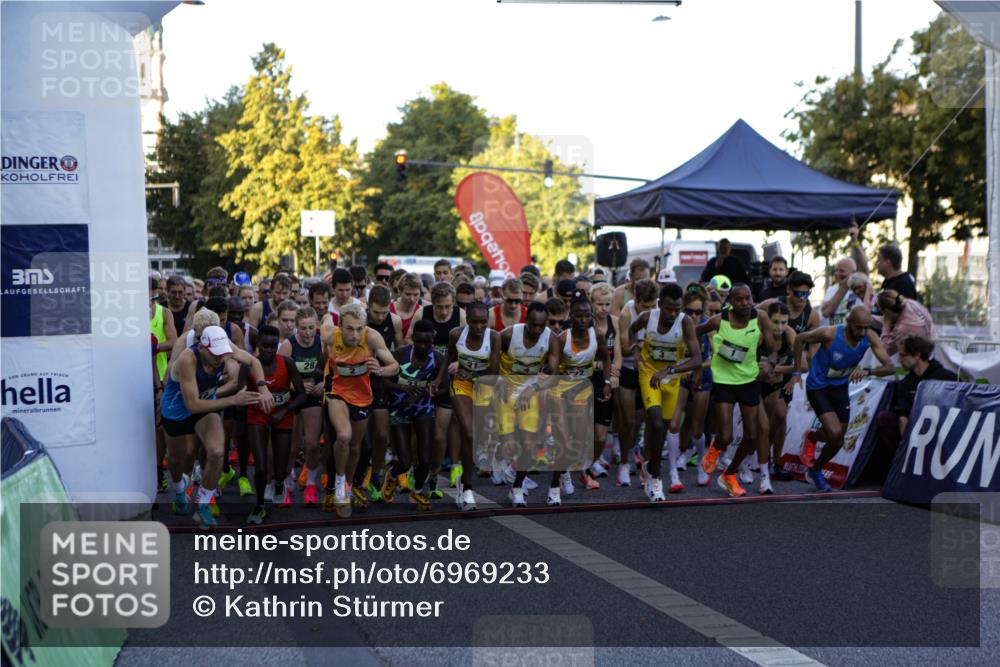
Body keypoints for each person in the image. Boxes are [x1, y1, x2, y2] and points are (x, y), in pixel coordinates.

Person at [160, 326, 270, 528]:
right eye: (215, 355)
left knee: (218, 451)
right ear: (202, 346)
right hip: (178, 410)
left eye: (223, 354)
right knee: (176, 461)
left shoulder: (224, 346)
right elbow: (192, 405)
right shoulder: (188, 359)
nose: (220, 359)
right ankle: (179, 490)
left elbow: (253, 361)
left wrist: (263, 388)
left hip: (206, 407)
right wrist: (233, 400)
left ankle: (203, 503)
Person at [792, 306, 895, 491]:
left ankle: (816, 470)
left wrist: (867, 371)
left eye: (866, 327)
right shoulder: (830, 333)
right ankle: (813, 437)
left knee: (839, 440)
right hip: (818, 386)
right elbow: (800, 338)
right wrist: (798, 369)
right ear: (848, 324)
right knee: (833, 432)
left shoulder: (869, 336)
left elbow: (889, 367)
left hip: (839, 387)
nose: (863, 332)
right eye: (859, 328)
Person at [697, 284, 776, 497]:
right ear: (731, 301)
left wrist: (770, 365)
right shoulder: (719, 320)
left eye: (748, 298)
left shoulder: (760, 318)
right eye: (739, 299)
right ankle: (715, 448)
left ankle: (729, 475)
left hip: (748, 379)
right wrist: (697, 357)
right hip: (723, 380)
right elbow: (695, 332)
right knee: (726, 436)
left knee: (751, 436)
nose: (745, 303)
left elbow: (772, 348)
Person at [320, 304, 399, 517]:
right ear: (340, 326)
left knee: (355, 447)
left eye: (359, 328)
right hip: (336, 391)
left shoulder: (371, 338)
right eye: (349, 329)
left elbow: (395, 365)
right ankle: (338, 484)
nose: (354, 334)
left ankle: (346, 484)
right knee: (343, 436)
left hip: (362, 397)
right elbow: (325, 319)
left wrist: (381, 370)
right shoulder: (330, 335)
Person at [629, 283, 704, 499]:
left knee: (661, 427)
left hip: (671, 379)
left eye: (677, 309)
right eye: (669, 309)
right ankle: (656, 478)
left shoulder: (685, 322)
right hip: (649, 375)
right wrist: (635, 350)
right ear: (660, 304)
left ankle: (646, 463)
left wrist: (670, 370)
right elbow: (630, 331)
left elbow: (697, 358)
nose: (673, 314)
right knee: (656, 422)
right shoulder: (646, 317)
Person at [430, 301, 500, 511]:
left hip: (485, 385)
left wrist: (474, 374)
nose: (479, 327)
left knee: (476, 436)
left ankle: (464, 478)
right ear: (466, 320)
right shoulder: (456, 334)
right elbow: (449, 357)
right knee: (468, 433)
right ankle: (467, 488)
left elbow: (495, 372)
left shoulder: (493, 337)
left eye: (483, 322)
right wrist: (439, 379)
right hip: (461, 385)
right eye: (474, 322)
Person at [545, 295, 610, 505]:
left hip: (582, 392)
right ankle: (554, 488)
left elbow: (606, 357)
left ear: (591, 316)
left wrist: (607, 381)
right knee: (563, 439)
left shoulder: (597, 335)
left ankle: (565, 471)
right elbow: (553, 367)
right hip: (559, 392)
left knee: (576, 438)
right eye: (578, 316)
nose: (583, 320)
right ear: (570, 316)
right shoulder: (562, 339)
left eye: (586, 316)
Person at [495, 301, 561, 507]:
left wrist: (533, 389)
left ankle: (516, 488)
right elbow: (491, 362)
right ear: (525, 321)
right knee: (508, 441)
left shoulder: (550, 338)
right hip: (505, 389)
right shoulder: (507, 335)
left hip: (529, 391)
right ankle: (500, 455)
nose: (537, 330)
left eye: (542, 325)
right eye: (533, 325)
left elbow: (554, 374)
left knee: (529, 442)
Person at [245, 326, 309, 524]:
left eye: (273, 346)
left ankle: (280, 482)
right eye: (265, 346)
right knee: (262, 466)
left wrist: (284, 411)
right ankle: (259, 506)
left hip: (283, 415)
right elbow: (239, 392)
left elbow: (302, 394)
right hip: (257, 415)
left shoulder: (287, 363)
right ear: (257, 346)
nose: (269, 351)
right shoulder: (248, 365)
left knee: (280, 469)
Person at [382, 319, 443, 511]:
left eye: (428, 343)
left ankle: (416, 492)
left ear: (433, 340)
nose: (423, 346)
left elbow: (445, 387)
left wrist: (431, 391)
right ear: (413, 339)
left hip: (423, 407)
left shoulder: (438, 358)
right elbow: (383, 379)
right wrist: (401, 387)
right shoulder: (400, 354)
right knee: (405, 461)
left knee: (425, 459)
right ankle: (392, 474)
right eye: (420, 342)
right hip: (399, 407)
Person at [411, 282, 465, 498]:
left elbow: (472, 345)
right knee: (418, 428)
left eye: (447, 307)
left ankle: (440, 473)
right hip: (425, 376)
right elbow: (408, 344)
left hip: (449, 376)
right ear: (431, 303)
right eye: (439, 307)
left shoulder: (460, 316)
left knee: (442, 432)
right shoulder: (421, 314)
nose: (443, 311)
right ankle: (415, 470)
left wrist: (460, 363)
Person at [873, 335, 955, 473]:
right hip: (915, 430)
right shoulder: (906, 382)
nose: (899, 360)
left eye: (903, 355)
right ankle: (900, 467)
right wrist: (907, 447)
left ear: (917, 355)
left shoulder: (947, 378)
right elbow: (903, 416)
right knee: (884, 418)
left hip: (942, 429)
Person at [359, 285, 404, 501]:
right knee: (361, 438)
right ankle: (357, 476)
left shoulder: (394, 321)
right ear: (368, 307)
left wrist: (384, 371)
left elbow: (399, 354)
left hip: (381, 382)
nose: (380, 316)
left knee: (381, 434)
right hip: (356, 383)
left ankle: (375, 474)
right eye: (376, 312)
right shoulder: (358, 319)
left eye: (384, 312)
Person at [278, 306, 325, 506]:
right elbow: (277, 377)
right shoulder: (288, 346)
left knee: (313, 444)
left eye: (311, 328)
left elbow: (329, 369)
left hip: (313, 396)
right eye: (303, 328)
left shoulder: (322, 344)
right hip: (292, 396)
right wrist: (296, 385)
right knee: (292, 447)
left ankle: (311, 484)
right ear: (296, 328)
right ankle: (287, 484)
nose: (307, 333)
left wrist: (323, 384)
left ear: (317, 326)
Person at [614, 278, 658, 487]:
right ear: (635, 300)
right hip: (630, 369)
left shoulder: (659, 311)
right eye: (644, 306)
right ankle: (623, 462)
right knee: (628, 420)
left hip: (650, 371)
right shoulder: (626, 313)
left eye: (652, 306)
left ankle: (645, 464)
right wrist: (638, 345)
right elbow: (623, 347)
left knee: (649, 420)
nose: (648, 310)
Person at [754, 302, 796, 494]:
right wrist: (761, 370)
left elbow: (802, 365)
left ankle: (774, 461)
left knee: (780, 415)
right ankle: (756, 458)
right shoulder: (760, 335)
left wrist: (776, 369)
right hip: (756, 381)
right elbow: (746, 363)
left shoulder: (790, 334)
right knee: (761, 424)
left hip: (780, 379)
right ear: (767, 321)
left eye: (784, 322)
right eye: (775, 322)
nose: (779, 328)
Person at [674, 285, 713, 487]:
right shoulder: (677, 325)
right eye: (689, 311)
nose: (694, 316)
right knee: (676, 421)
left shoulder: (708, 326)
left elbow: (714, 358)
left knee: (697, 426)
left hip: (702, 376)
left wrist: (696, 366)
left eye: (698, 312)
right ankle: (674, 467)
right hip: (680, 376)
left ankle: (701, 462)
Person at [587, 282, 621, 482]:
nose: (603, 308)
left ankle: (594, 459)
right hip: (585, 378)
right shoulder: (584, 322)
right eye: (599, 304)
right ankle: (584, 466)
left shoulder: (614, 322)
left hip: (605, 380)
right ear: (591, 303)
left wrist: (613, 375)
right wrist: (600, 366)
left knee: (601, 435)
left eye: (607, 304)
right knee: (585, 428)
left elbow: (617, 354)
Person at [875, 290, 934, 356]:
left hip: (919, 356)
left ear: (885, 311)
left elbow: (884, 352)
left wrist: (886, 326)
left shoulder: (902, 327)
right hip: (930, 345)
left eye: (881, 310)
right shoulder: (910, 303)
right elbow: (886, 319)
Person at [820, 257, 860, 326]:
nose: (837, 274)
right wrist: (843, 287)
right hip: (833, 332)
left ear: (853, 273)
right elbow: (825, 312)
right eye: (836, 270)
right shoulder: (831, 289)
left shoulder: (859, 290)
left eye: (842, 271)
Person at [390, 273, 425, 340]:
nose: (412, 299)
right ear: (399, 292)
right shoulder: (388, 309)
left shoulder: (422, 311)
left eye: (416, 294)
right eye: (408, 294)